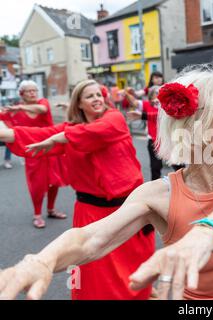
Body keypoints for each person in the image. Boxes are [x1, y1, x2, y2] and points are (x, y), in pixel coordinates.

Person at [0, 65, 213, 301]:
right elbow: (89, 238)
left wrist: (204, 235)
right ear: (192, 125)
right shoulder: (157, 194)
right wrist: (41, 260)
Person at [0, 80, 155, 300]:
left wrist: (58, 138)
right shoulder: (70, 132)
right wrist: (7, 134)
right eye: (90, 96)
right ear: (79, 104)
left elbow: (97, 132)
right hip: (91, 214)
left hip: (128, 212)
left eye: (99, 95)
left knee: (134, 273)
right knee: (94, 277)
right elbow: (33, 135)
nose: (97, 99)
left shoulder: (114, 118)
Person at [0, 80, 67, 229]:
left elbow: (42, 109)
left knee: (54, 182)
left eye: (34, 90)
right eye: (29, 91)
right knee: (37, 184)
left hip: (51, 148)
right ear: (21, 94)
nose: (33, 93)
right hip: (33, 152)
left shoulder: (42, 103)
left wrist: (20, 107)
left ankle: (51, 209)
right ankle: (37, 214)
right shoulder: (14, 111)